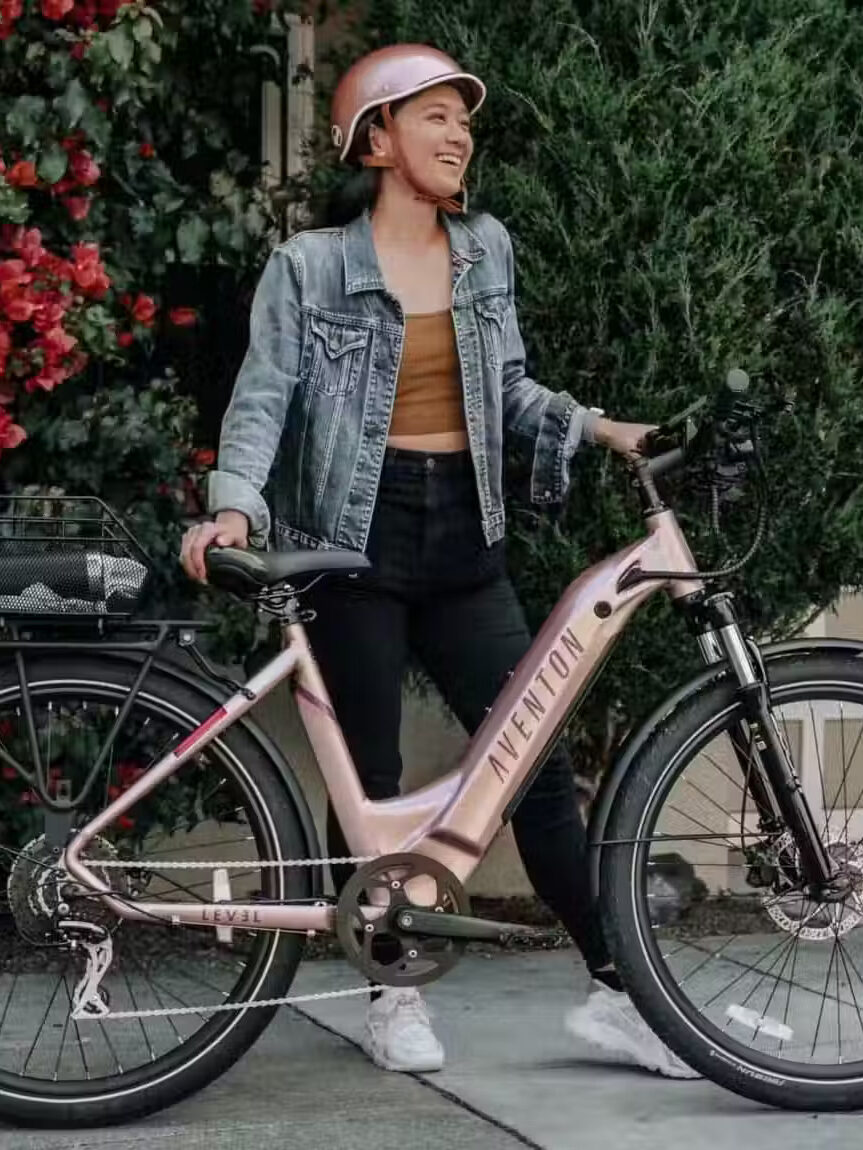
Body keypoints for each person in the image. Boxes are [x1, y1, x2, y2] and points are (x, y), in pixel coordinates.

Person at [180, 44, 698, 1080]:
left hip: (464, 536)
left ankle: (615, 993)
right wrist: (233, 511)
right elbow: (261, 400)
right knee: (364, 777)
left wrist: (603, 429)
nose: (458, 133)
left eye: (464, 119)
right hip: (350, 541)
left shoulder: (483, 248)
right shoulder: (310, 266)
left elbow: (505, 386)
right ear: (375, 139)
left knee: (536, 768)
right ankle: (388, 988)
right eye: (433, 116)